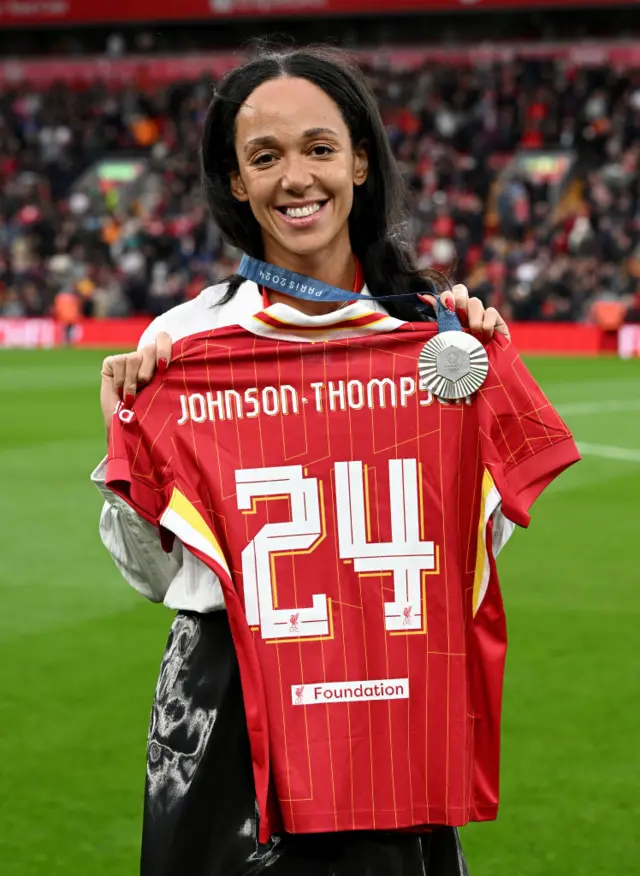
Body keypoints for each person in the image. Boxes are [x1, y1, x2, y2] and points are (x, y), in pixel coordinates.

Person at [94, 46, 516, 876]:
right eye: (265, 157)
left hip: (385, 691)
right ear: (236, 181)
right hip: (225, 707)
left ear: (360, 160)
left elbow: (474, 549)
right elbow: (153, 577)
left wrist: (474, 383)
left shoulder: (436, 339)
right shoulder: (182, 342)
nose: (297, 178)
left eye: (319, 149)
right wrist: (126, 443)